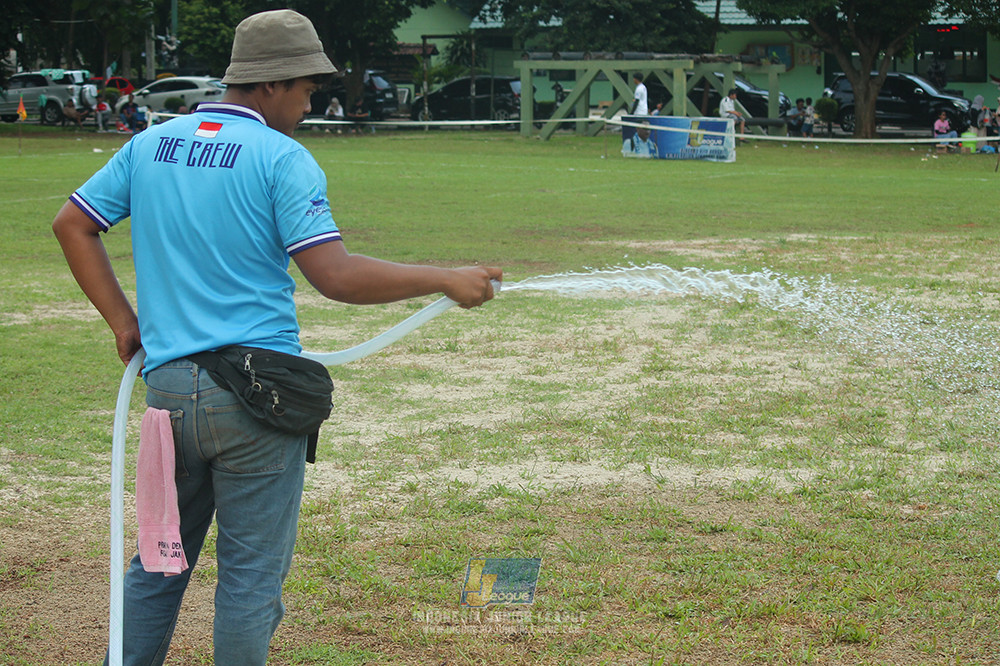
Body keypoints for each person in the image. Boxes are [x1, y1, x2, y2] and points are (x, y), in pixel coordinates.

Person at [51, 9, 500, 665]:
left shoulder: (150, 144)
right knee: (249, 583)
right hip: (256, 399)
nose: (309, 103)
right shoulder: (282, 158)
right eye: (306, 89)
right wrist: (445, 279)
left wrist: (126, 323)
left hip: (168, 394)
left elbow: (72, 224)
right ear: (270, 85)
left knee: (158, 564)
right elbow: (335, 275)